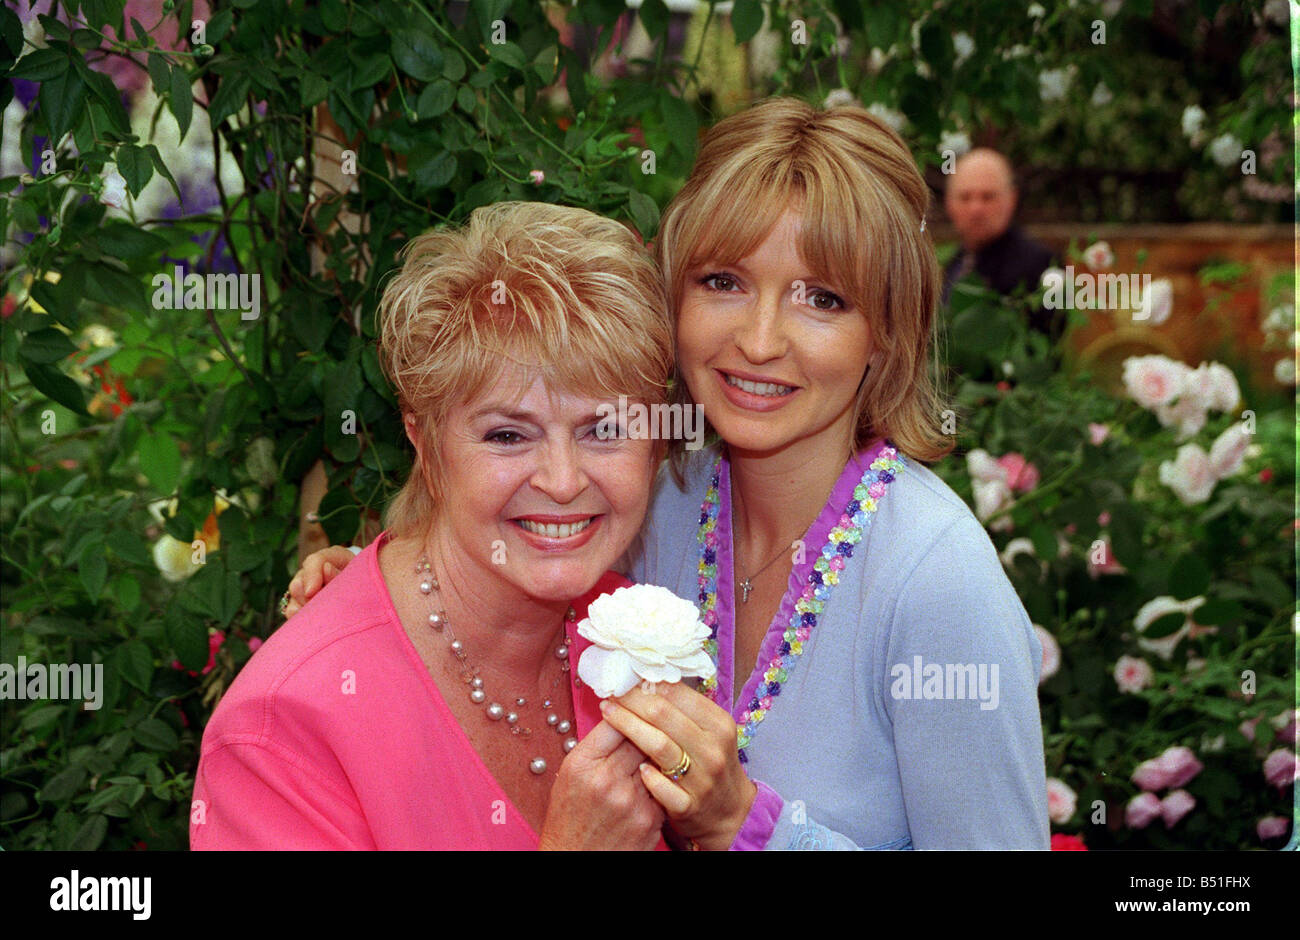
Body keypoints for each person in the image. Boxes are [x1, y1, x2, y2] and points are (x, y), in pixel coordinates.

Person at [290, 98, 1051, 850]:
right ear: (672, 295)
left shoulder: (937, 584)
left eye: (822, 298)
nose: (758, 341)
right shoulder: (661, 498)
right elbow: (511, 546)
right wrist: (369, 589)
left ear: (886, 331)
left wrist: (746, 828)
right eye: (723, 281)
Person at [192, 202, 677, 849]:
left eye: (605, 430)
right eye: (507, 434)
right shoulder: (282, 730)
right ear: (423, 440)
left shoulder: (636, 637)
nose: (563, 480)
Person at [941, 148, 1063, 345]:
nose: (976, 209)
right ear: (949, 202)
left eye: (988, 197)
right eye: (965, 197)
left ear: (1012, 198)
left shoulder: (1039, 265)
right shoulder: (955, 262)